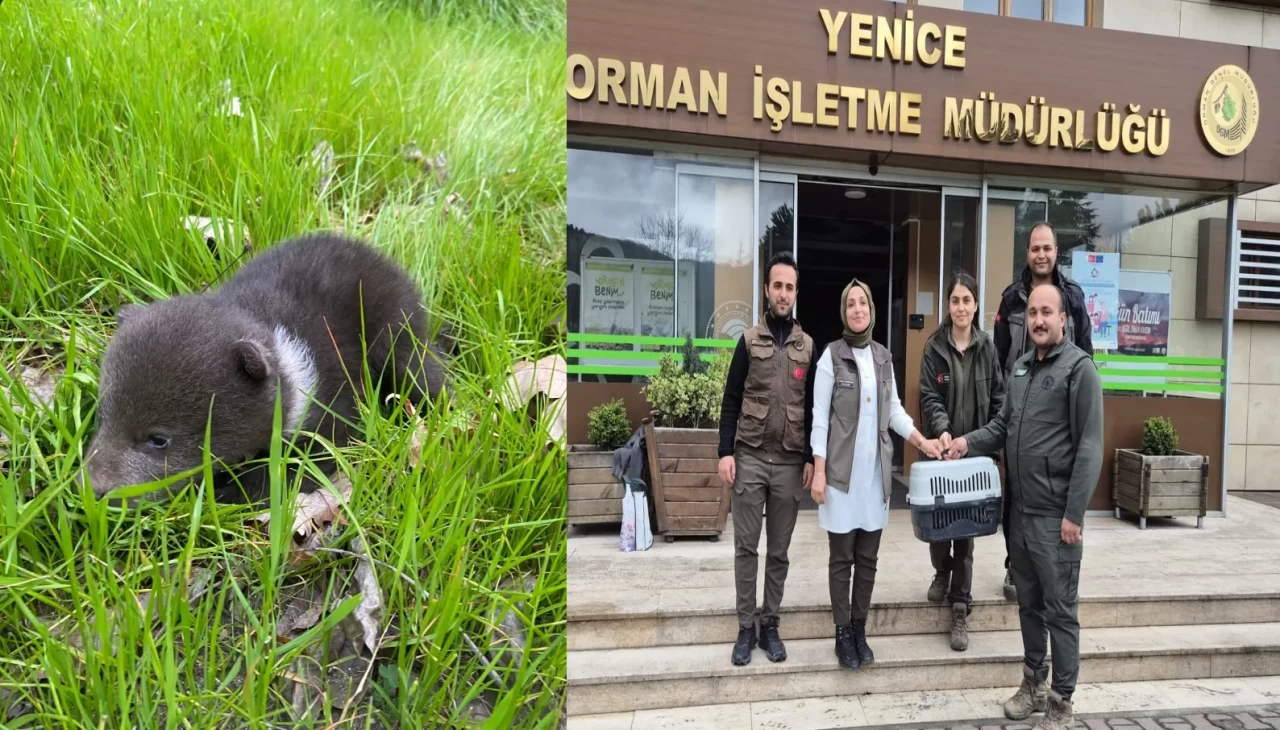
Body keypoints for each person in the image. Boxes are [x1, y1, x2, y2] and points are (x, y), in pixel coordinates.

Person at [945, 283, 1105, 730]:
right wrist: (964, 442)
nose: (1038, 320)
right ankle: (1033, 684)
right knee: (1029, 606)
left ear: (1063, 319)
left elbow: (1090, 446)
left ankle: (1060, 702)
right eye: (1033, 312)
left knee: (1061, 611)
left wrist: (1075, 513)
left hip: (1057, 519)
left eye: (1046, 312)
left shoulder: (1080, 370)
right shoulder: (1018, 369)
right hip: (1020, 516)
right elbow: (1001, 426)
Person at [809, 278, 943, 671]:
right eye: (850, 304)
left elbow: (896, 412)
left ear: (871, 310)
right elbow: (819, 418)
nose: (857, 309)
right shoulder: (830, 357)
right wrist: (818, 470)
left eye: (862, 303)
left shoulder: (883, 357)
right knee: (841, 559)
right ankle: (841, 633)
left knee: (868, 558)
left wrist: (924, 442)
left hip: (874, 478)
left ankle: (859, 629)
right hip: (839, 477)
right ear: (843, 312)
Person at [717, 251, 818, 667]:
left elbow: (813, 408)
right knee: (746, 548)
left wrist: (813, 457)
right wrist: (725, 451)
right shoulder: (748, 340)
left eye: (789, 287)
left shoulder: (807, 346)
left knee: (779, 551)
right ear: (766, 289)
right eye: (777, 285)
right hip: (751, 458)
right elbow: (731, 399)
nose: (783, 293)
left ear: (795, 293)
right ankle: (745, 628)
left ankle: (769, 625)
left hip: (791, 462)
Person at [992, 220, 1093, 603]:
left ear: (1056, 252)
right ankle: (1015, 563)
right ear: (1028, 253)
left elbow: (1084, 352)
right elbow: (998, 356)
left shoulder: (1074, 297)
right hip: (1015, 407)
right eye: (1035, 248)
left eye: (1047, 248)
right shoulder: (1011, 298)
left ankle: (1055, 563)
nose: (1041, 255)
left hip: (1055, 410)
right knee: (1013, 493)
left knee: (1052, 488)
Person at [917, 270, 1005, 653]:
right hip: (943, 453)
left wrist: (978, 442)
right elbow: (928, 397)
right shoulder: (934, 347)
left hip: (975, 458)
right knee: (939, 527)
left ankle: (960, 608)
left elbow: (1000, 401)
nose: (961, 307)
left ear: (975, 304)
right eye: (955, 301)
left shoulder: (988, 348)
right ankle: (941, 570)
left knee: (965, 534)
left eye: (967, 300)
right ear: (948, 305)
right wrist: (943, 431)